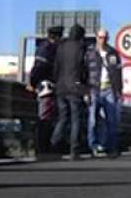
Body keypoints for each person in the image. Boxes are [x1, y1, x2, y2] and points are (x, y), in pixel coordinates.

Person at [50, 24, 89, 159]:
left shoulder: (61, 47)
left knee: (62, 118)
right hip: (75, 87)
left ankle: (53, 146)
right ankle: (74, 150)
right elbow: (83, 70)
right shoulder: (81, 48)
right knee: (76, 119)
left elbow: (56, 67)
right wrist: (84, 87)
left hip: (61, 87)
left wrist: (56, 82)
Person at [86, 28, 123, 157]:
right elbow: (84, 72)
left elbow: (118, 73)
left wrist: (119, 91)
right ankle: (93, 146)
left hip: (109, 89)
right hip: (93, 88)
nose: (103, 40)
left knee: (111, 120)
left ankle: (111, 147)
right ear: (96, 37)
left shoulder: (113, 53)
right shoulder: (89, 52)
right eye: (101, 37)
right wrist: (85, 91)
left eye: (106, 37)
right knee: (92, 120)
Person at [27, 25, 63, 154]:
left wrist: (32, 82)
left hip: (47, 86)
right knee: (45, 118)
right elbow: (39, 68)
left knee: (47, 118)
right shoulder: (48, 49)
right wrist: (33, 82)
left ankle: (44, 147)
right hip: (46, 87)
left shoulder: (46, 48)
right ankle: (42, 148)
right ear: (57, 37)